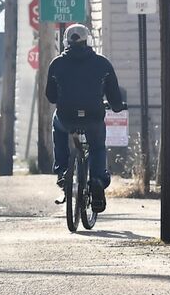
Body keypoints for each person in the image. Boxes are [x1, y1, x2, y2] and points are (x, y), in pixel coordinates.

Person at [45, 23, 126, 213]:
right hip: (93, 117)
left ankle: (63, 171)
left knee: (58, 127)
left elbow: (50, 96)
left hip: (66, 117)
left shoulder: (57, 63)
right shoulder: (102, 63)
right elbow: (114, 94)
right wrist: (116, 106)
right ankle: (97, 179)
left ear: (66, 42)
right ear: (88, 40)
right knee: (97, 145)